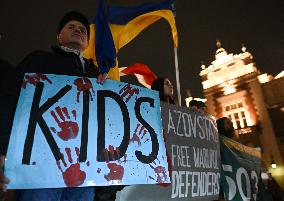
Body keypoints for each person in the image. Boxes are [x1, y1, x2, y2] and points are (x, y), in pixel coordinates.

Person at [0, 11, 108, 201]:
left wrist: (105, 87)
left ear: (87, 42)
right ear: (59, 36)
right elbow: (9, 101)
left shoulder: (98, 77)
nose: (78, 31)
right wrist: (2, 148)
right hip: (40, 171)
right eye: (71, 27)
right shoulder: (39, 60)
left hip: (85, 175)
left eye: (83, 29)